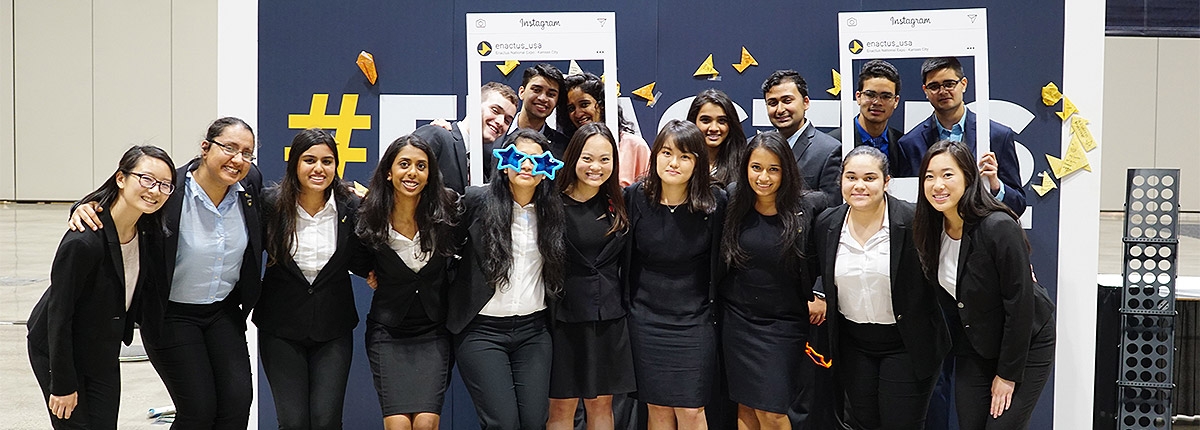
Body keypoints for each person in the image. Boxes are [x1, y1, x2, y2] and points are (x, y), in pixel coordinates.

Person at [70, 117, 265, 429]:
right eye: (229, 148)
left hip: (222, 312)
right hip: (170, 315)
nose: (238, 160)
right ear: (205, 147)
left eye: (247, 152)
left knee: (236, 405)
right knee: (198, 411)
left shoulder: (249, 185)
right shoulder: (168, 189)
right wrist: (82, 206)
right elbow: (115, 198)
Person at [29, 145, 175, 429]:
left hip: (102, 347)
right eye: (146, 179)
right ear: (121, 179)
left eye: (164, 185)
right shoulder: (83, 242)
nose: (155, 190)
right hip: (60, 347)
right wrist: (61, 384)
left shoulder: (147, 231)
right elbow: (59, 318)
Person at [913, 140, 1055, 430]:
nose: (937, 184)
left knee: (1001, 426)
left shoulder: (998, 226)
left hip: (1024, 340)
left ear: (968, 176)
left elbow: (1020, 304)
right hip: (975, 343)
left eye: (947, 174)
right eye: (929, 176)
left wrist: (1007, 374)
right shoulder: (930, 228)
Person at [812, 145, 950, 430]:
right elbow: (817, 272)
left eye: (869, 178)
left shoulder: (914, 222)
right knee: (861, 424)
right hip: (854, 346)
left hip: (906, 345)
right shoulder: (827, 223)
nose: (859, 186)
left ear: (886, 182)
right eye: (851, 177)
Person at [449, 128, 567, 429]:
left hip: (534, 331)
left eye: (536, 161)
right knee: (502, 423)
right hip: (481, 331)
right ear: (504, 161)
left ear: (546, 172)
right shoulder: (477, 200)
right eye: (519, 157)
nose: (527, 166)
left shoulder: (554, 211)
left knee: (534, 421)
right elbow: (444, 247)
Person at [255, 129, 367, 430]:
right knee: (292, 422)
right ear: (295, 164)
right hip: (280, 328)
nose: (319, 168)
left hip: (333, 329)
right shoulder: (270, 204)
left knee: (326, 420)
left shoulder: (351, 208)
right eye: (309, 160)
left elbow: (362, 257)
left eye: (327, 161)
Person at [719, 131, 825, 430]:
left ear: (786, 171)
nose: (763, 177)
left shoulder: (810, 206)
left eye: (773, 169)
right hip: (738, 321)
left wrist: (821, 294)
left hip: (784, 324)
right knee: (747, 405)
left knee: (773, 412)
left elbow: (828, 255)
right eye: (756, 168)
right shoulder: (731, 201)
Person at [624, 119, 725, 430]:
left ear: (698, 161)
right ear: (655, 156)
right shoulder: (636, 197)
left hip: (694, 322)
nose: (674, 163)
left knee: (692, 410)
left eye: (685, 156)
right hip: (645, 320)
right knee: (657, 409)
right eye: (667, 153)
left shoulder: (715, 202)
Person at [356, 134, 461, 430]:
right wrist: (371, 273)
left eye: (421, 166)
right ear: (389, 172)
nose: (412, 173)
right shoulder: (369, 215)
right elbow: (355, 257)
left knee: (427, 423)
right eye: (404, 164)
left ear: (430, 175)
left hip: (434, 331)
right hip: (388, 332)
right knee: (399, 424)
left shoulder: (448, 210)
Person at [546, 122, 637, 430]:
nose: (595, 167)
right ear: (573, 158)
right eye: (587, 158)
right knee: (561, 407)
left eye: (604, 159)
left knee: (602, 406)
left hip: (609, 320)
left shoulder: (621, 202)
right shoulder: (550, 203)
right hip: (563, 321)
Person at [894, 57, 1026, 216]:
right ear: (925, 91)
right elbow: (907, 206)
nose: (943, 91)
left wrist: (996, 186)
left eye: (949, 84)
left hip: (981, 232)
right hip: (933, 234)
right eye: (934, 86)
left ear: (963, 84)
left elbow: (1018, 205)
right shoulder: (910, 144)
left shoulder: (997, 136)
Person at [414, 82, 518, 194]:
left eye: (507, 120)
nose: (500, 122)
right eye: (495, 110)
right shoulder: (437, 135)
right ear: (474, 105)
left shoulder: (485, 170)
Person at [558, 72, 650, 187]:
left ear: (602, 105)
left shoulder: (635, 146)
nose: (578, 113)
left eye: (584, 104)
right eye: (571, 108)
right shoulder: (566, 148)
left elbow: (648, 194)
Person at [761, 70, 841, 196]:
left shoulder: (828, 150)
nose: (780, 110)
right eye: (773, 103)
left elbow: (830, 206)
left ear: (806, 102)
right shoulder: (755, 147)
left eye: (787, 101)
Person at [828, 60, 905, 170]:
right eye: (870, 94)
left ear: (896, 101)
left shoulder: (902, 144)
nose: (877, 102)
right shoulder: (833, 144)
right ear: (858, 97)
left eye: (886, 96)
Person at [687, 89, 747, 187]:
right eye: (706, 120)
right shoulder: (681, 162)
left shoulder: (745, 164)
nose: (714, 128)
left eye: (722, 121)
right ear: (693, 122)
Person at [508, 63, 570, 158]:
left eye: (551, 94)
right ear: (521, 92)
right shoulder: (496, 135)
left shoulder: (565, 147)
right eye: (536, 90)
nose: (543, 98)